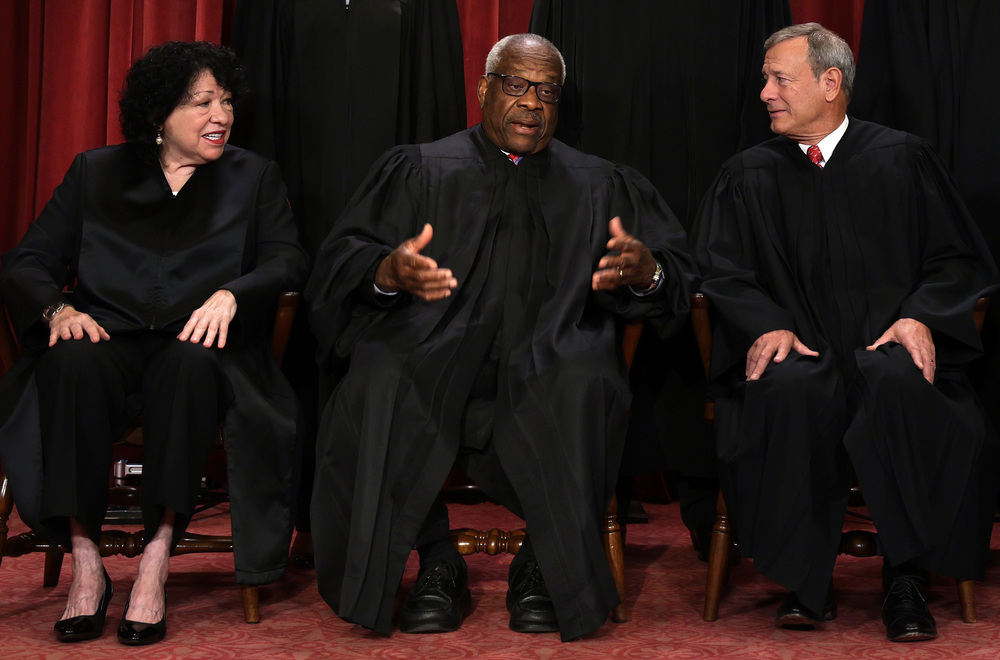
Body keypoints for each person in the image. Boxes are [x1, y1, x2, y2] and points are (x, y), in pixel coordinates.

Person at [306, 33, 696, 641]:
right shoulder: (419, 168)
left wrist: (649, 273)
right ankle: (438, 560)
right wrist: (385, 272)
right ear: (485, 89)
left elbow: (674, 275)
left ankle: (541, 565)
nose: (532, 104)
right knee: (377, 384)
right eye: (516, 86)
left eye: (546, 92)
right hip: (432, 345)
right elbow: (341, 261)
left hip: (553, 349)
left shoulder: (600, 184)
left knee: (586, 383)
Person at [691, 23, 998, 642]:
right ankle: (807, 580)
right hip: (800, 351)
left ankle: (906, 577)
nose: (765, 93)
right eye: (765, 79)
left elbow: (958, 262)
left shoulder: (903, 158)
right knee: (792, 389)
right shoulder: (747, 175)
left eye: (780, 79)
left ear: (831, 83)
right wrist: (766, 323)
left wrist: (921, 316)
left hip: (884, 345)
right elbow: (720, 273)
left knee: (899, 381)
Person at [0, 42, 308, 645]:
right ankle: (88, 563)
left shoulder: (252, 177)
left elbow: (288, 259)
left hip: (196, 344)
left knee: (190, 365)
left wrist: (234, 293)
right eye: (202, 103)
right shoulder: (97, 171)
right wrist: (58, 308)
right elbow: (27, 261)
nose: (221, 115)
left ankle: (154, 562)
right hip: (108, 337)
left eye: (225, 101)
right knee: (71, 363)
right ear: (157, 115)